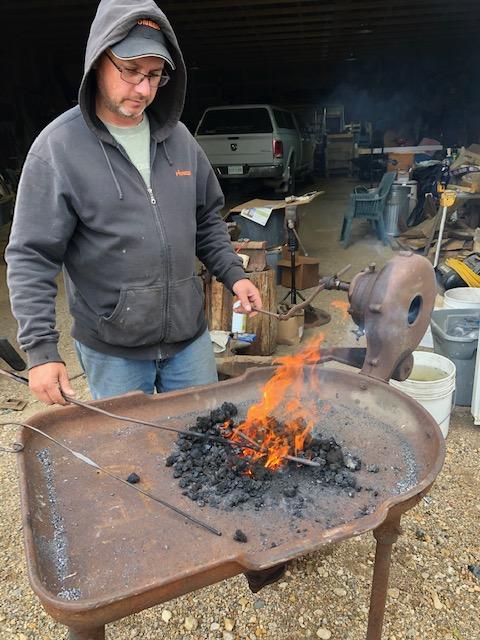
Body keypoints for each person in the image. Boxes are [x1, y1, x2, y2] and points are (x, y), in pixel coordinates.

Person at [5, 0, 262, 405]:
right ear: (98, 63)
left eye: (154, 75)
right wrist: (41, 351)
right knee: (134, 460)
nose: (143, 89)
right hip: (113, 350)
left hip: (189, 342)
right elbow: (31, 256)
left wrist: (234, 274)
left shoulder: (179, 139)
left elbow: (206, 219)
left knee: (208, 445)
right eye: (130, 71)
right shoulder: (58, 148)